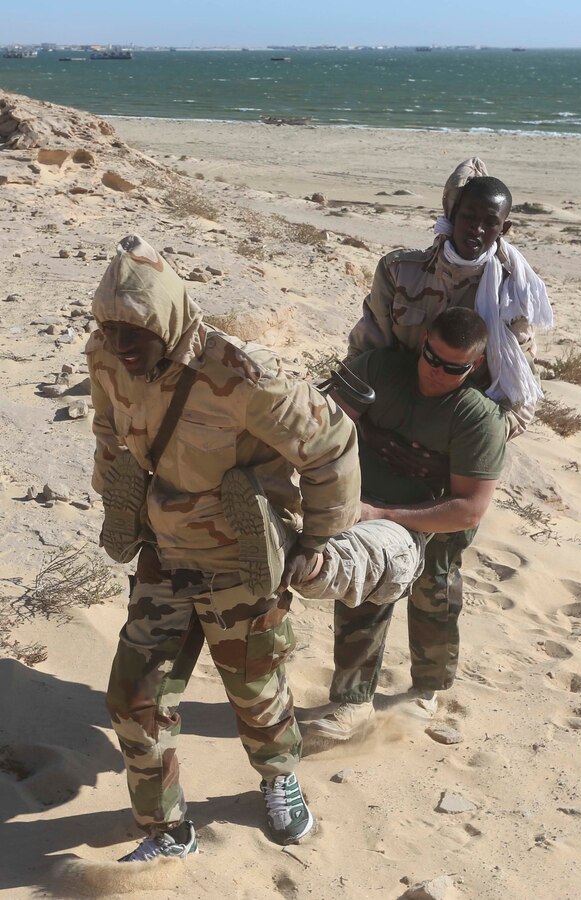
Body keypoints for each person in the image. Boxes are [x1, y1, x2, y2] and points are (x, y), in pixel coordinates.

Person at [87, 234, 363, 860]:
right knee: (134, 700)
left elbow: (333, 443)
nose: (121, 347)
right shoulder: (106, 358)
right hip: (164, 553)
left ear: (168, 321)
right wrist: (118, 498)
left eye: (134, 334)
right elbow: (108, 428)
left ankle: (279, 778)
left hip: (241, 561)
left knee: (256, 693)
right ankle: (167, 828)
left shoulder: (238, 375)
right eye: (110, 330)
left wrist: (318, 538)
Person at [334, 158, 553, 718]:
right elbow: (366, 357)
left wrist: (462, 449)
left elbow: (518, 392)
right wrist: (371, 430)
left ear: (503, 228)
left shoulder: (513, 293)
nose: (476, 229)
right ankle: (352, 698)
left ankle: (427, 687)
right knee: (365, 572)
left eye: (490, 221)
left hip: (454, 449)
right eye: (467, 215)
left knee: (437, 583)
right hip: (385, 432)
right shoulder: (401, 273)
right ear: (449, 213)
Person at [305, 307, 508, 739]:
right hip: (365, 503)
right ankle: (352, 701)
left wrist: (386, 514)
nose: (436, 371)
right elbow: (322, 423)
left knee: (433, 596)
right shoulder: (379, 368)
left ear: (472, 366)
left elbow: (470, 507)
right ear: (423, 344)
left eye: (452, 367)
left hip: (434, 517)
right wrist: (370, 439)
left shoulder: (477, 417)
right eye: (431, 358)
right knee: (365, 588)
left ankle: (427, 689)